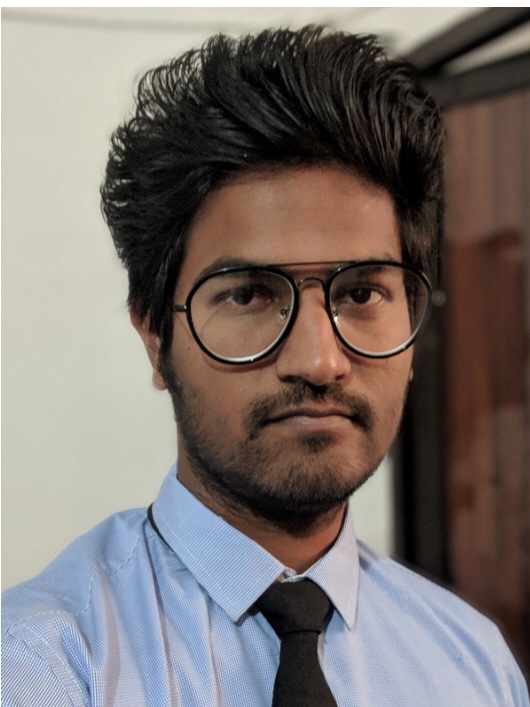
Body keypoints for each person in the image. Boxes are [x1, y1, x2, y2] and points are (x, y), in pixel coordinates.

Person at [2, 25, 528, 707]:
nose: (319, 361)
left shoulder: (473, 665)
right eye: (249, 295)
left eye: (361, 294)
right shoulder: (45, 668)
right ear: (155, 335)